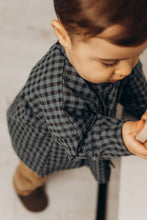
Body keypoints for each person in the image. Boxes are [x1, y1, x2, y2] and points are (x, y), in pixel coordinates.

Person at [7, 0, 147, 212]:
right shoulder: (56, 90)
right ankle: (24, 188)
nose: (126, 69)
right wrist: (122, 137)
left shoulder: (118, 59)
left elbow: (131, 85)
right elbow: (82, 138)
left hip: (75, 131)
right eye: (109, 62)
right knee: (33, 172)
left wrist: (142, 107)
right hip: (41, 143)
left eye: (137, 54)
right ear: (63, 36)